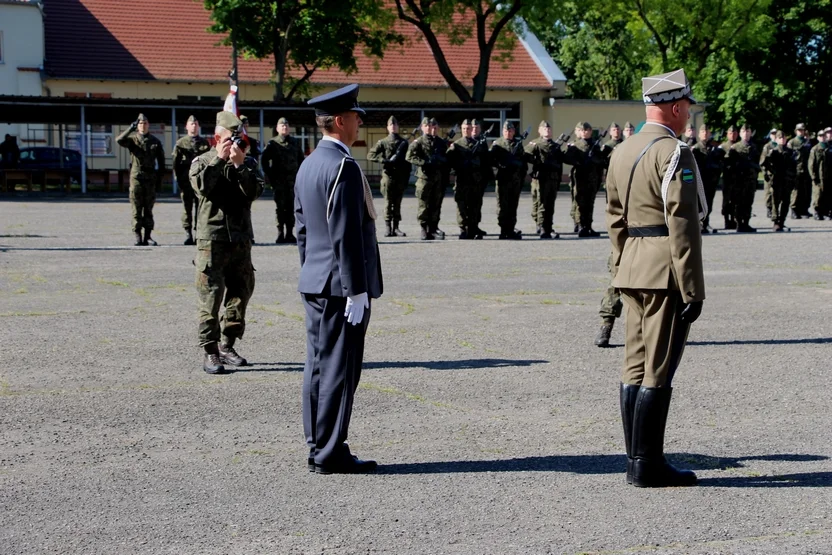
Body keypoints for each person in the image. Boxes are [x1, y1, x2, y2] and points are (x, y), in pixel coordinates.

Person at [605, 68, 707, 488]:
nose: (689, 118)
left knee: (634, 366)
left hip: (631, 266)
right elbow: (682, 221)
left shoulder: (622, 150)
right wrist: (693, 287)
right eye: (688, 110)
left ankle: (634, 459)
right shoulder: (674, 152)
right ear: (676, 106)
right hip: (664, 267)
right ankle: (649, 465)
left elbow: (614, 219)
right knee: (659, 369)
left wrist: (620, 265)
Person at [295, 84, 382, 474]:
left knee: (318, 366)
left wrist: (313, 271)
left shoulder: (310, 162)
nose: (360, 121)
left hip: (316, 281)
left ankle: (319, 444)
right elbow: (345, 233)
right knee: (339, 369)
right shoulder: (343, 166)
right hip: (338, 287)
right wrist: (356, 290)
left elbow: (303, 230)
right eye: (357, 116)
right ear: (342, 121)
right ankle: (331, 452)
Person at [189, 111, 264, 375]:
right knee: (210, 297)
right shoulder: (202, 162)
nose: (234, 142)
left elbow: (255, 192)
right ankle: (210, 352)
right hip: (213, 241)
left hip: (241, 241)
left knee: (239, 295)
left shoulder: (247, 162)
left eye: (238, 137)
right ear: (217, 137)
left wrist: (240, 166)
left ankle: (227, 345)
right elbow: (202, 188)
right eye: (230, 138)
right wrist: (220, 161)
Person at [116, 114, 165, 246]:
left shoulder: (155, 141)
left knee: (148, 208)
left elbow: (161, 163)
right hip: (137, 177)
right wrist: (130, 129)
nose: (143, 125)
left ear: (148, 125)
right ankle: (138, 235)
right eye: (140, 123)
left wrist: (160, 181)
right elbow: (119, 140)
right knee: (136, 208)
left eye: (145, 123)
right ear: (137, 126)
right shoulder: (133, 140)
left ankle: (148, 236)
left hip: (150, 178)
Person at [261, 117, 305, 243]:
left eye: (286, 125)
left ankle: (290, 233)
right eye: (282, 126)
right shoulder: (273, 143)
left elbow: (301, 159)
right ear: (277, 128)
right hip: (279, 182)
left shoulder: (295, 142)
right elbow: (264, 160)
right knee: (280, 208)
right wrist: (270, 175)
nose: (284, 127)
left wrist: (300, 176)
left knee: (291, 207)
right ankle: (280, 233)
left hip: (293, 182)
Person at [367, 116, 411, 237]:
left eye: (395, 125)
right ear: (387, 127)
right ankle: (388, 227)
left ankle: (396, 228)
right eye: (391, 125)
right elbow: (370, 155)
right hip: (388, 176)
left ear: (398, 127)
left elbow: (408, 162)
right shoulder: (383, 142)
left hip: (400, 177)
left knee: (397, 203)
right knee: (388, 202)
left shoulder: (404, 143)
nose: (393, 127)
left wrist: (406, 177)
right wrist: (384, 160)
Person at [406, 117, 448, 240]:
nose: (432, 129)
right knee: (424, 204)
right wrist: (424, 162)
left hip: (438, 178)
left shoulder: (440, 142)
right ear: (424, 128)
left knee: (436, 204)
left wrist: (442, 161)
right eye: (429, 127)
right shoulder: (418, 142)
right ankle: (424, 229)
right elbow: (409, 157)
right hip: (424, 178)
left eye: (434, 127)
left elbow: (447, 157)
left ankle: (434, 228)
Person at [172, 115, 211, 245]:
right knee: (187, 209)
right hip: (186, 182)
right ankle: (188, 233)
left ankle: (199, 234)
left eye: (196, 124)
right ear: (186, 127)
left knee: (201, 209)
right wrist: (178, 180)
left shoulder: (205, 143)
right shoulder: (180, 143)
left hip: (201, 182)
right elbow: (175, 164)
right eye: (191, 124)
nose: (194, 126)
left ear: (198, 126)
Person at [525, 120, 566, 239]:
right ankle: (542, 227)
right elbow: (525, 155)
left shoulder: (555, 146)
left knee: (550, 204)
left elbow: (560, 163)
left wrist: (559, 178)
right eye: (544, 129)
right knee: (541, 203)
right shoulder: (535, 143)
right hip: (541, 178)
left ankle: (548, 226)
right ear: (539, 131)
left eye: (548, 129)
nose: (547, 130)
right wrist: (537, 161)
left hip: (552, 178)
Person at [564, 122, 606, 237]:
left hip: (592, 178)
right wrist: (579, 162)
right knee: (579, 202)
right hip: (580, 177)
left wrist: (595, 159)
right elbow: (567, 158)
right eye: (582, 130)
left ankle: (588, 226)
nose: (585, 132)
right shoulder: (574, 145)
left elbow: (601, 161)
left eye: (587, 130)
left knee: (590, 202)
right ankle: (580, 225)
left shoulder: (595, 145)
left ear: (590, 131)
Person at [490, 121, 528, 239]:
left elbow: (523, 162)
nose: (508, 133)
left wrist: (520, 175)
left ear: (513, 132)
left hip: (515, 180)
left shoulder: (518, 143)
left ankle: (511, 229)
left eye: (510, 131)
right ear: (503, 131)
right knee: (502, 205)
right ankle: (503, 230)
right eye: (506, 131)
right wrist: (499, 170)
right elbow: (491, 161)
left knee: (513, 205)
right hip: (503, 179)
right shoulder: (497, 144)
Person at [760, 130, 796, 231]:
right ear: (776, 139)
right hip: (776, 180)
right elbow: (764, 163)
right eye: (780, 138)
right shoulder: (773, 151)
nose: (782, 140)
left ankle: (782, 221)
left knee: (786, 201)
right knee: (775, 201)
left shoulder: (790, 151)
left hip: (787, 180)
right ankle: (776, 221)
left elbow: (794, 166)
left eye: (784, 138)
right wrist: (769, 174)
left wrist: (793, 178)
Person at [690, 124, 722, 234]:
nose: (705, 134)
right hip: (700, 181)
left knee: (708, 203)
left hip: (710, 182)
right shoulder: (695, 148)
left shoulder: (714, 148)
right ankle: (699, 224)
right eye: (703, 132)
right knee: (698, 204)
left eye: (707, 132)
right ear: (699, 134)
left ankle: (706, 223)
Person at [729, 124, 760, 232]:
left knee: (748, 201)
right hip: (739, 180)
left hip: (750, 179)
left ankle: (746, 222)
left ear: (751, 133)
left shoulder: (754, 147)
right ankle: (739, 223)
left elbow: (757, 162)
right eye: (744, 132)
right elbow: (731, 165)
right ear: (740, 134)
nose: (746, 134)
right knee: (739, 202)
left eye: (748, 131)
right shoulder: (735, 147)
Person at [788, 123, 813, 219]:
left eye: (802, 130)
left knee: (806, 190)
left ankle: (804, 209)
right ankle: (794, 210)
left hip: (806, 169)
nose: (801, 131)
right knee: (796, 191)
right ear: (796, 131)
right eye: (799, 130)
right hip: (796, 170)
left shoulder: (808, 142)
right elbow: (789, 157)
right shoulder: (792, 142)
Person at [719, 125, 739, 230]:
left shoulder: (739, 146)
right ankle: (727, 220)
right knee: (726, 200)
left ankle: (734, 220)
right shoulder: (723, 147)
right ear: (727, 134)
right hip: (727, 178)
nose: (733, 135)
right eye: (731, 133)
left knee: (736, 200)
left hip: (738, 178)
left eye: (735, 133)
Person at [808, 127, 831, 220]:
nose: (823, 137)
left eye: (824, 136)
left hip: (829, 175)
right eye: (820, 136)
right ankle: (817, 212)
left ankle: (825, 212)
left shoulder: (829, 148)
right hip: (819, 176)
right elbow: (811, 164)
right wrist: (813, 176)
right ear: (818, 137)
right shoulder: (815, 149)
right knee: (818, 195)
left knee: (827, 194)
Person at [761, 128, 778, 218]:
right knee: (769, 192)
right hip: (770, 172)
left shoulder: (780, 145)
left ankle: (776, 209)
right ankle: (769, 208)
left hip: (778, 173)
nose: (774, 135)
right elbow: (763, 161)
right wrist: (765, 173)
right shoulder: (767, 146)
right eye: (772, 134)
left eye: (776, 133)